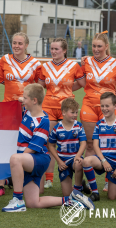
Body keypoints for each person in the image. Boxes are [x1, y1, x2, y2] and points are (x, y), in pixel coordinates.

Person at [2, 84, 94, 212]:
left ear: (34, 101)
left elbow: (33, 148)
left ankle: (17, 200)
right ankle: (71, 200)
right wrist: (22, 99)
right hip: (30, 160)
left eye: (25, 98)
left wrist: (18, 162)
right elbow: (23, 102)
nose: (23, 100)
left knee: (15, 159)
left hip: (38, 159)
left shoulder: (43, 121)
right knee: (34, 203)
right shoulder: (28, 111)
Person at [77, 31, 116, 192]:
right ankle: (90, 185)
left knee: (111, 144)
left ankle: (109, 179)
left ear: (106, 47)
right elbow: (80, 82)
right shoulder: (86, 62)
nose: (96, 49)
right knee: (90, 144)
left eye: (99, 46)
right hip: (89, 105)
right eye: (93, 46)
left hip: (109, 108)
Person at [37, 37, 85, 189]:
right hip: (49, 107)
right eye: (52, 49)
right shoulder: (45, 66)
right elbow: (41, 85)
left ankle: (76, 175)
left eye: (56, 49)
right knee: (48, 143)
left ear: (64, 50)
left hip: (67, 108)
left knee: (71, 141)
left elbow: (82, 84)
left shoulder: (73, 66)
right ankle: (49, 179)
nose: (53, 51)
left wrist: (69, 90)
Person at [82, 92, 116, 201]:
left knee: (112, 197)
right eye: (102, 106)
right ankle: (95, 193)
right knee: (86, 161)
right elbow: (95, 145)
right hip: (102, 160)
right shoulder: (99, 124)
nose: (104, 108)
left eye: (107, 106)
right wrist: (103, 161)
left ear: (115, 106)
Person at [48, 98, 90, 196]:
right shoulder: (56, 128)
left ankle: (78, 188)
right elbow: (51, 145)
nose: (75, 115)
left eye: (76, 112)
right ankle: (81, 186)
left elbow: (83, 143)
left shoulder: (79, 126)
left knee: (79, 163)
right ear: (64, 112)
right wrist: (59, 161)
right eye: (72, 112)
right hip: (63, 161)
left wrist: (78, 156)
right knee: (67, 195)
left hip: (75, 158)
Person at [0, 32, 41, 102]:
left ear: (26, 45)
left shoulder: (35, 63)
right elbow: (0, 78)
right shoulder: (5, 59)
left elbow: (39, 85)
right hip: (8, 104)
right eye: (14, 43)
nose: (16, 46)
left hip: (28, 105)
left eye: (20, 43)